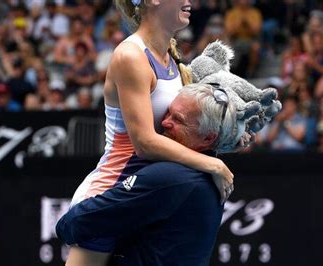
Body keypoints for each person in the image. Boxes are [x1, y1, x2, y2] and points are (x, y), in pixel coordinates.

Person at [65, 0, 233, 264]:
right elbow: (144, 142)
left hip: (149, 194)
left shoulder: (172, 58)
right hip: (111, 194)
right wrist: (212, 164)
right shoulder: (130, 56)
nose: (190, 1)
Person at [57, 83, 239, 266]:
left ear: (208, 138)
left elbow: (80, 220)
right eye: (168, 112)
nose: (164, 122)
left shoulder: (170, 176)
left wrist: (64, 225)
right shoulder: (212, 175)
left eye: (178, 120)